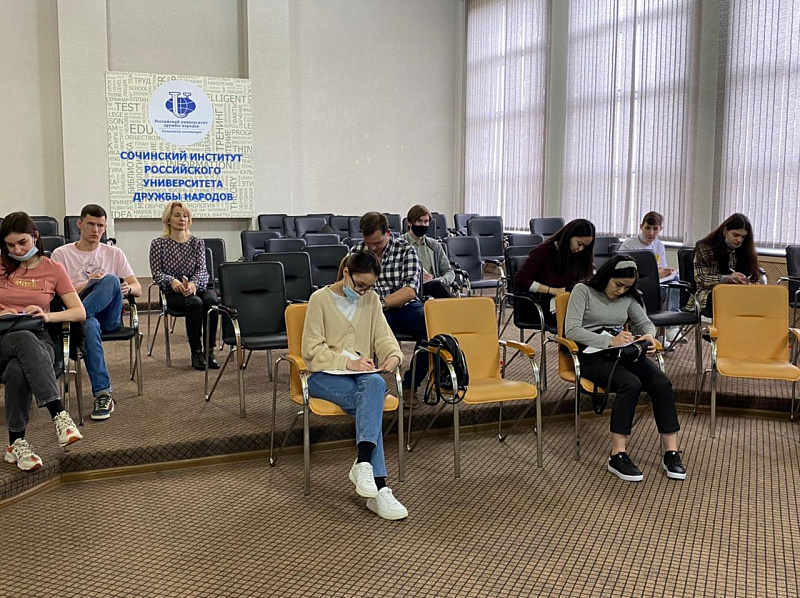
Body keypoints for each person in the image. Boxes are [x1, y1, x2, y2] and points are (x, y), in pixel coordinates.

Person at [302, 251, 408, 520]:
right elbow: (311, 352)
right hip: (323, 376)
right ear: (346, 273)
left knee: (374, 383)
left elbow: (384, 337)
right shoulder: (320, 299)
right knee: (371, 404)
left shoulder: (371, 300)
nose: (363, 292)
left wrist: (393, 356)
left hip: (361, 376)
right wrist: (347, 362)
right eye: (359, 285)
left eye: (368, 287)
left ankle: (364, 464)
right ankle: (380, 488)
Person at [564, 255, 685, 482]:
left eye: (627, 287)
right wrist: (609, 341)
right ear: (606, 277)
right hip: (591, 355)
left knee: (661, 383)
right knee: (630, 384)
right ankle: (617, 455)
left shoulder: (628, 296)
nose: (621, 291)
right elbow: (571, 330)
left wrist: (648, 335)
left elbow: (645, 323)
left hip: (621, 351)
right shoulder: (583, 291)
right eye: (618, 284)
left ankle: (671, 452)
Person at [1, 212, 85, 471]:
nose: (16, 250)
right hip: (2, 339)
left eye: (22, 243)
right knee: (23, 340)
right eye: (10, 245)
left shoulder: (53, 269)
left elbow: (78, 312)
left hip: (39, 340)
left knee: (18, 368)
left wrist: (47, 316)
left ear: (35, 237)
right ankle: (58, 413)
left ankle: (16, 444)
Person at [51, 204, 141, 420]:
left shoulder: (114, 253)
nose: (95, 229)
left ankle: (76, 318)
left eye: (100, 225)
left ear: (105, 227)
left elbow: (137, 288)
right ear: (79, 224)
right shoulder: (61, 254)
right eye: (90, 224)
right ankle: (103, 394)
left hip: (109, 316)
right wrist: (87, 284)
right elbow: (56, 293)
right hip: (82, 311)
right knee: (88, 324)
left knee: (111, 280)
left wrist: (127, 289)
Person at [353, 211, 427, 394]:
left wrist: (380, 303)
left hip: (403, 307)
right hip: (367, 309)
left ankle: (410, 385)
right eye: (368, 243)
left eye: (377, 243)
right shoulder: (357, 252)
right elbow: (348, 285)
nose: (372, 248)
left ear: (388, 233)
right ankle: (367, 385)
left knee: (430, 325)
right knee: (353, 331)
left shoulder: (405, 250)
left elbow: (410, 291)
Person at [149, 201, 219, 370]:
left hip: (196, 287)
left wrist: (194, 283)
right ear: (168, 219)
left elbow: (202, 270)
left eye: (185, 216)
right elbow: (156, 273)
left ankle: (209, 351)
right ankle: (196, 352)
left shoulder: (197, 242)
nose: (182, 219)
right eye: (177, 215)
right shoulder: (158, 244)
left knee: (211, 300)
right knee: (195, 303)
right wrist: (171, 280)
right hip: (173, 292)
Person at [514, 218, 596, 327]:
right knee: (581, 322)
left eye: (585, 247)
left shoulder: (580, 255)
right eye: (579, 243)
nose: (581, 249)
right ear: (569, 236)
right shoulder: (543, 251)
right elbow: (521, 279)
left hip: (569, 301)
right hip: (541, 303)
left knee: (595, 317)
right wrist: (552, 290)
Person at [620, 211, 681, 341]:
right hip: (635, 285)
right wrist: (656, 273)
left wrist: (667, 272)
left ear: (661, 229)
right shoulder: (629, 245)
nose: (651, 233)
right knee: (665, 293)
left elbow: (661, 267)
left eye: (655, 229)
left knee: (675, 280)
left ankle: (670, 330)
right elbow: (622, 272)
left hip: (656, 284)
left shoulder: (659, 245)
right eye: (648, 228)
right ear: (641, 226)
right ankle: (665, 333)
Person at [689, 213, 760, 316]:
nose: (739, 240)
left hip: (739, 293)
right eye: (735, 235)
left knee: (758, 299)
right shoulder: (705, 247)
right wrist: (727, 279)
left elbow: (754, 278)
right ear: (725, 231)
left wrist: (747, 282)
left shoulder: (746, 250)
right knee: (732, 300)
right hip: (709, 293)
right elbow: (701, 279)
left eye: (743, 237)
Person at [402, 204, 455, 299]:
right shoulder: (400, 244)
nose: (423, 225)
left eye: (426, 221)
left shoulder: (434, 245)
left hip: (432, 285)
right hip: (408, 287)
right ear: (410, 223)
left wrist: (440, 280)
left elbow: (449, 271)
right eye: (419, 221)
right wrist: (418, 277)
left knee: (436, 285)